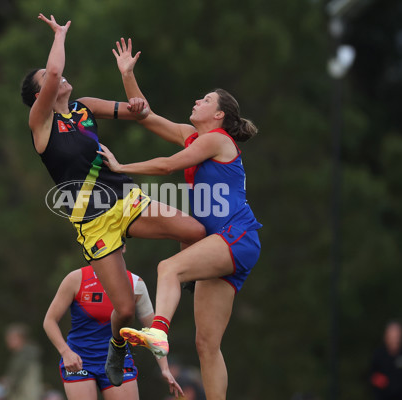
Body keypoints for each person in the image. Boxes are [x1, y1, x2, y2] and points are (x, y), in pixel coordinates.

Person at [20, 14, 205, 386]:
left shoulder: (85, 107)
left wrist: (127, 76)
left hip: (125, 197)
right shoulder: (40, 125)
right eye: (48, 79)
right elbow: (55, 71)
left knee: (195, 231)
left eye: (50, 73)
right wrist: (59, 35)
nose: (57, 77)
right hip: (94, 221)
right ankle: (117, 348)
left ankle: (185, 282)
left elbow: (140, 110)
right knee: (122, 308)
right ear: (40, 95)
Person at [97, 38, 263, 400]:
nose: (197, 101)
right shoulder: (192, 136)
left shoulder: (217, 140)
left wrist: (121, 166)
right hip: (223, 245)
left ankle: (158, 329)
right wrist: (128, 77)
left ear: (219, 115)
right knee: (206, 344)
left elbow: (168, 165)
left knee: (167, 268)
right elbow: (145, 116)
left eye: (205, 100)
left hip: (237, 237)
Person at [43, 259, 183, 399]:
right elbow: (49, 321)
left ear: (123, 248)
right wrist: (66, 352)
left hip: (118, 359)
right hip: (80, 359)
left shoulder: (135, 283)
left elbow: (154, 331)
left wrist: (165, 368)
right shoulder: (76, 278)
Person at [370, 320, 402, 400]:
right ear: (386, 336)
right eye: (392, 335)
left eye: (397, 335)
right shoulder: (379, 355)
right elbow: (372, 376)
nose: (395, 338)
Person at [3, 323, 43, 400]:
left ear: (20, 338)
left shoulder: (24, 356)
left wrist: (6, 384)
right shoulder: (28, 354)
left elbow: (15, 378)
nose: (8, 341)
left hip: (23, 395)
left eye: (11, 338)